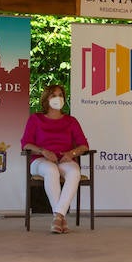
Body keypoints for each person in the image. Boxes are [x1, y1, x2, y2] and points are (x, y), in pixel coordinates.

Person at [21, 84, 90, 234]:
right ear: (46, 99)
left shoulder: (71, 121)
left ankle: (58, 217)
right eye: (53, 95)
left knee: (74, 172)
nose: (58, 98)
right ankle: (60, 217)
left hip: (64, 159)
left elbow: (84, 145)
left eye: (60, 95)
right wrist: (43, 151)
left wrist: (71, 154)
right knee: (51, 170)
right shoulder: (35, 119)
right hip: (40, 161)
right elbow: (25, 143)